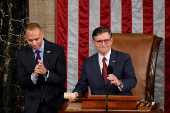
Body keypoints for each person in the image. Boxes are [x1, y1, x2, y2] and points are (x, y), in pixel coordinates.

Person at [71, 27, 137, 101]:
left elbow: (132, 80)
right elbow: (82, 85)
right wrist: (76, 94)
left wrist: (119, 83)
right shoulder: (87, 63)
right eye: (99, 41)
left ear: (111, 40)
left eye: (106, 41)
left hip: (121, 103)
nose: (103, 44)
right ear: (94, 42)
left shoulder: (124, 58)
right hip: (98, 104)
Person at [17, 23, 67, 113]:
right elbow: (21, 83)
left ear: (42, 35)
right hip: (32, 105)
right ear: (25, 38)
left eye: (37, 39)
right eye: (30, 40)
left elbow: (62, 79)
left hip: (55, 103)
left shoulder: (57, 50)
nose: (34, 43)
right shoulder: (21, 53)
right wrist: (33, 75)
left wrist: (46, 73)